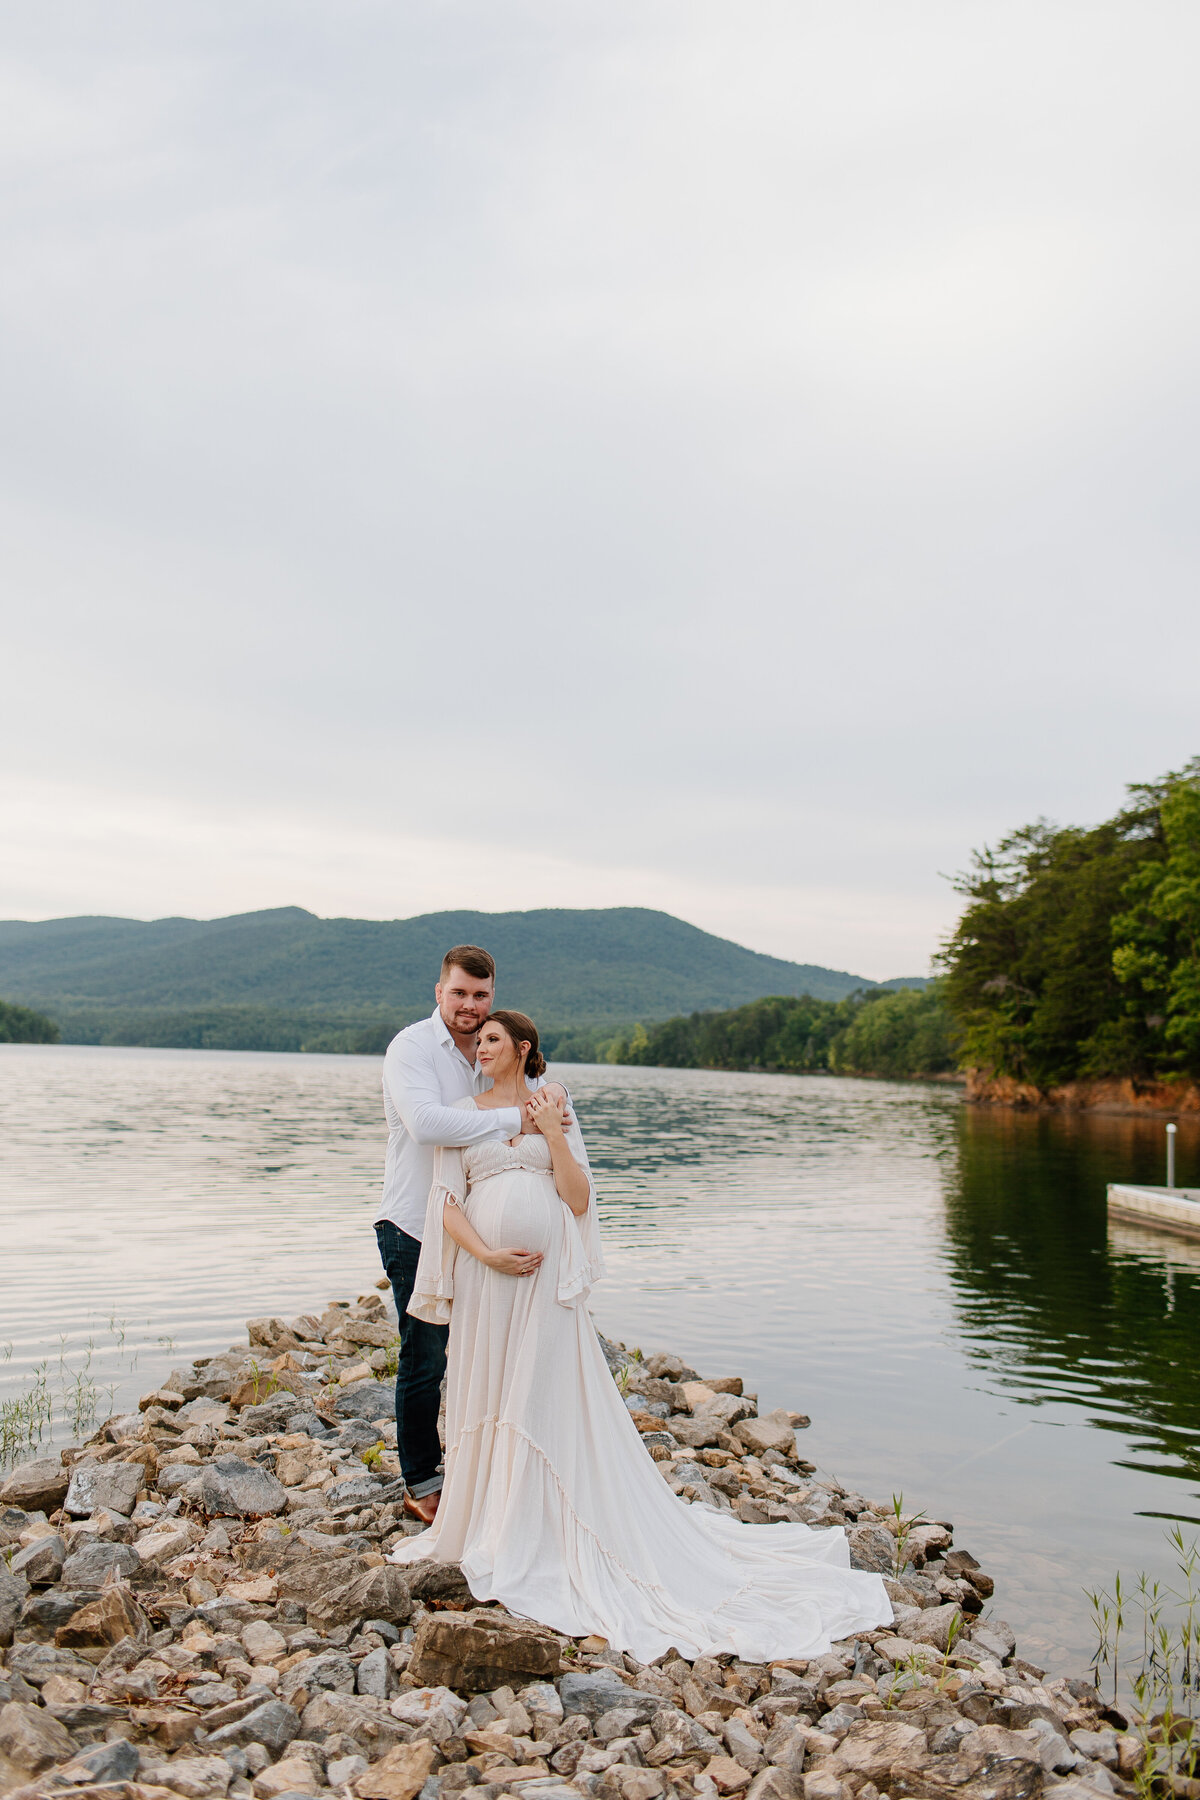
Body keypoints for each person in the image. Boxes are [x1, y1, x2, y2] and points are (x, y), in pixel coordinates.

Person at [390, 1008, 893, 1663]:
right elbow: (446, 1205)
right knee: (488, 1390)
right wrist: (486, 1255)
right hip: (490, 1279)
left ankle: (545, 1522)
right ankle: (492, 1517)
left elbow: (576, 1200)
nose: (478, 1049)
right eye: (474, 1040)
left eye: (490, 1040)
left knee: (540, 1394)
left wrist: (552, 1134)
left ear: (522, 1048)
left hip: (546, 1286)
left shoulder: (553, 1110)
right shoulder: (464, 1114)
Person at [374, 946, 553, 1524]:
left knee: (482, 1349)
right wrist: (515, 1121)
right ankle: (422, 1479)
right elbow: (427, 1125)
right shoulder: (412, 1049)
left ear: (492, 998)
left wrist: (543, 1116)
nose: (469, 1006)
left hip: (476, 1232)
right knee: (425, 1358)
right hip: (415, 1226)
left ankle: (489, 1468)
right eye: (459, 993)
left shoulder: (488, 1055)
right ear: (439, 992)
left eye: (480, 996)